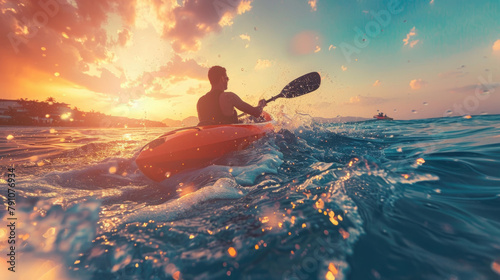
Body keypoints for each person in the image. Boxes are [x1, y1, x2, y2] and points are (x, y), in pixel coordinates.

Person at [197, 66, 266, 126]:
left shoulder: (200, 101)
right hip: (230, 136)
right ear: (222, 78)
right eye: (227, 78)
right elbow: (256, 112)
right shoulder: (228, 96)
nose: (228, 81)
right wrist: (261, 105)